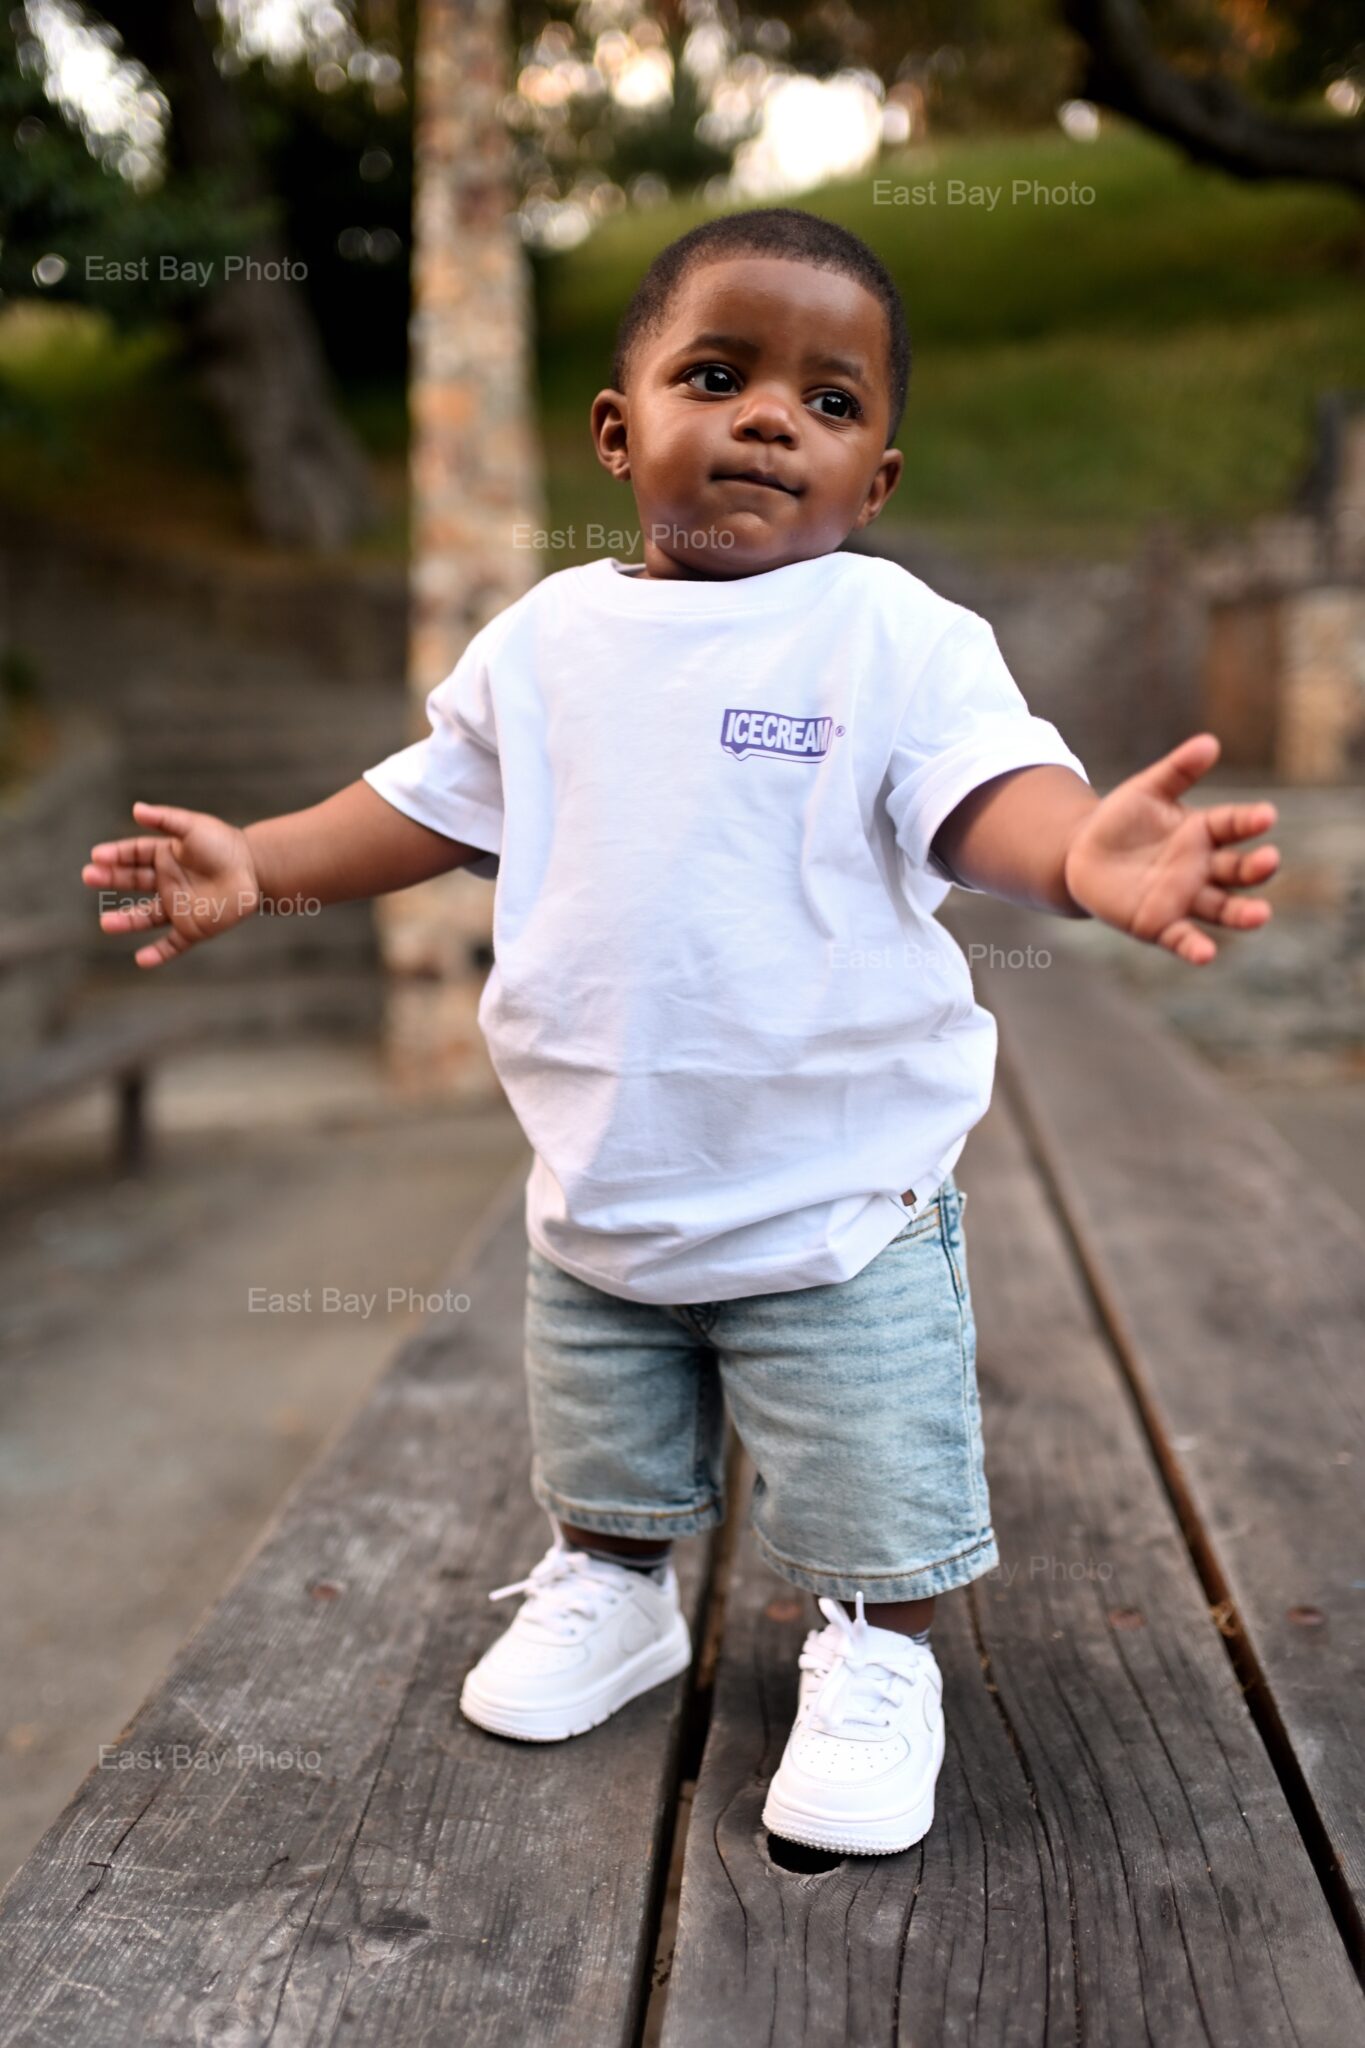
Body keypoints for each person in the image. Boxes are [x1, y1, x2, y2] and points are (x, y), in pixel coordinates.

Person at [81, 207, 1280, 1858]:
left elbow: (984, 794)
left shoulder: (890, 637)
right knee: (604, 1439)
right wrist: (260, 863)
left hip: (834, 1199)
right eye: (717, 376)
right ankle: (614, 1589)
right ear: (617, 427)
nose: (772, 418)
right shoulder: (545, 643)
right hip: (604, 1179)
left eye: (829, 402)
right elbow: (424, 803)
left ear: (875, 480)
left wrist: (1080, 857)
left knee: (865, 1464)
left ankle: (878, 1652)